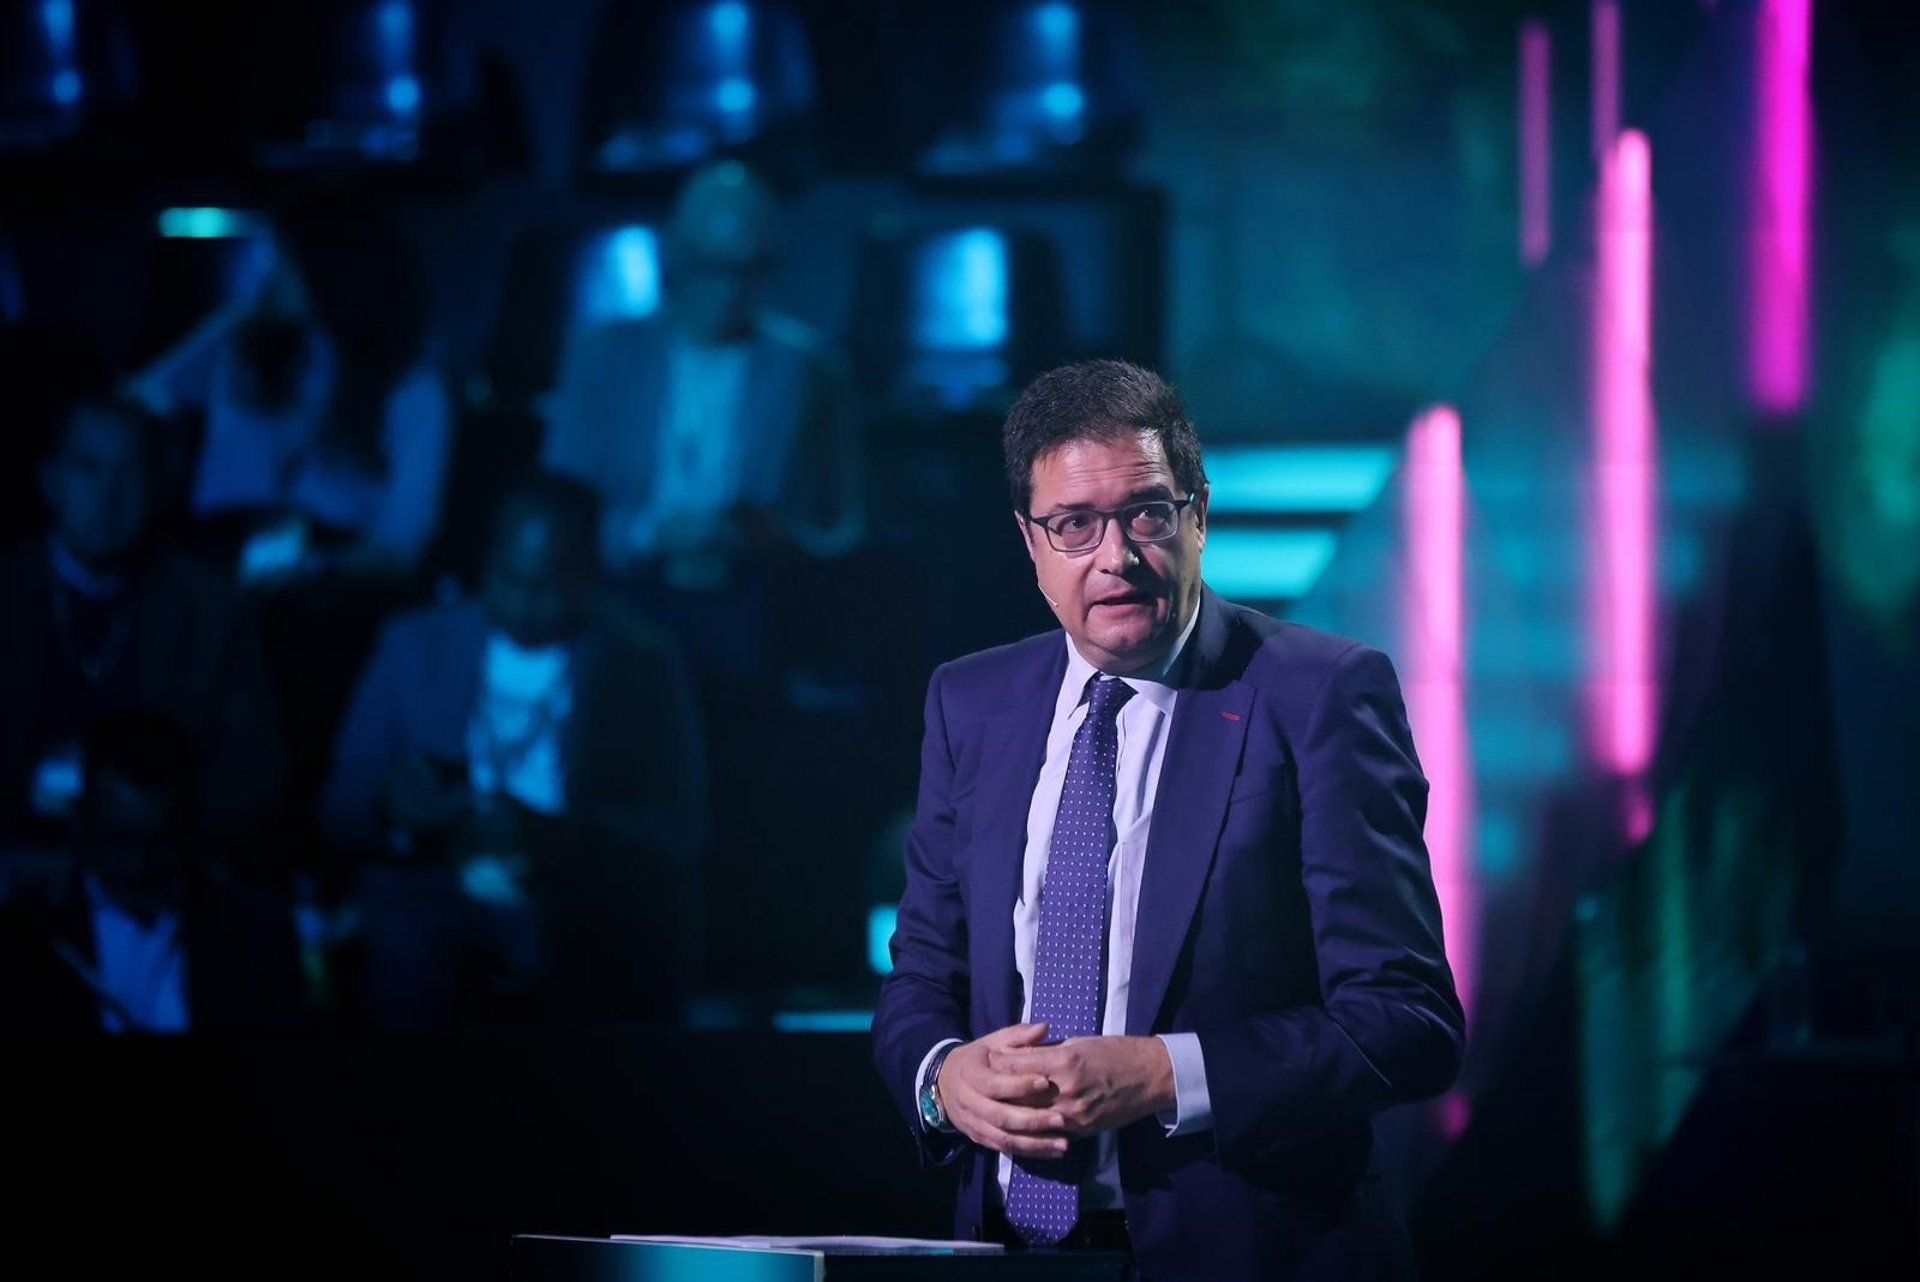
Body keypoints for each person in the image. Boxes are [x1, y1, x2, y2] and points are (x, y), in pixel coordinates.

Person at [871, 361, 1463, 1278]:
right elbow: (922, 976)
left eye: (1146, 514)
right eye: (1074, 525)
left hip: (1255, 1254)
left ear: (1199, 515)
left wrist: (1163, 1074)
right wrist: (942, 1079)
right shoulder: (972, 701)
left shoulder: (1320, 695)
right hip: (1007, 1251)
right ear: (1029, 541)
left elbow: (1406, 1020)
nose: (1116, 556)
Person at [321, 473, 707, 1028]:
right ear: (487, 563)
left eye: (548, 586)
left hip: (573, 909)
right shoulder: (416, 645)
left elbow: (680, 829)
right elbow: (339, 803)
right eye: (510, 579)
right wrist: (395, 808)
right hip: (432, 894)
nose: (525, 604)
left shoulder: (641, 662)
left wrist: (556, 836)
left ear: (590, 575)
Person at [0, 395, 282, 875]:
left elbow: (252, 783)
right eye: (89, 468)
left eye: (129, 473)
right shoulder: (10, 589)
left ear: (159, 488)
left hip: (157, 876)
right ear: (50, 480)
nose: (108, 495)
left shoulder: (211, 610)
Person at [130, 203, 452, 590]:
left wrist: (313, 570)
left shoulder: (411, 391)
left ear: (337, 270)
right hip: (209, 566)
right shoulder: (240, 342)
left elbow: (399, 547)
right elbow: (138, 398)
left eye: (287, 259)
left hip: (324, 592)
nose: (270, 273)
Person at [0, 711, 307, 1032]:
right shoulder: (30, 935)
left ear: (189, 827)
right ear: (82, 823)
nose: (139, 865)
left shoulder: (252, 934)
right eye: (120, 841)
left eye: (158, 842)